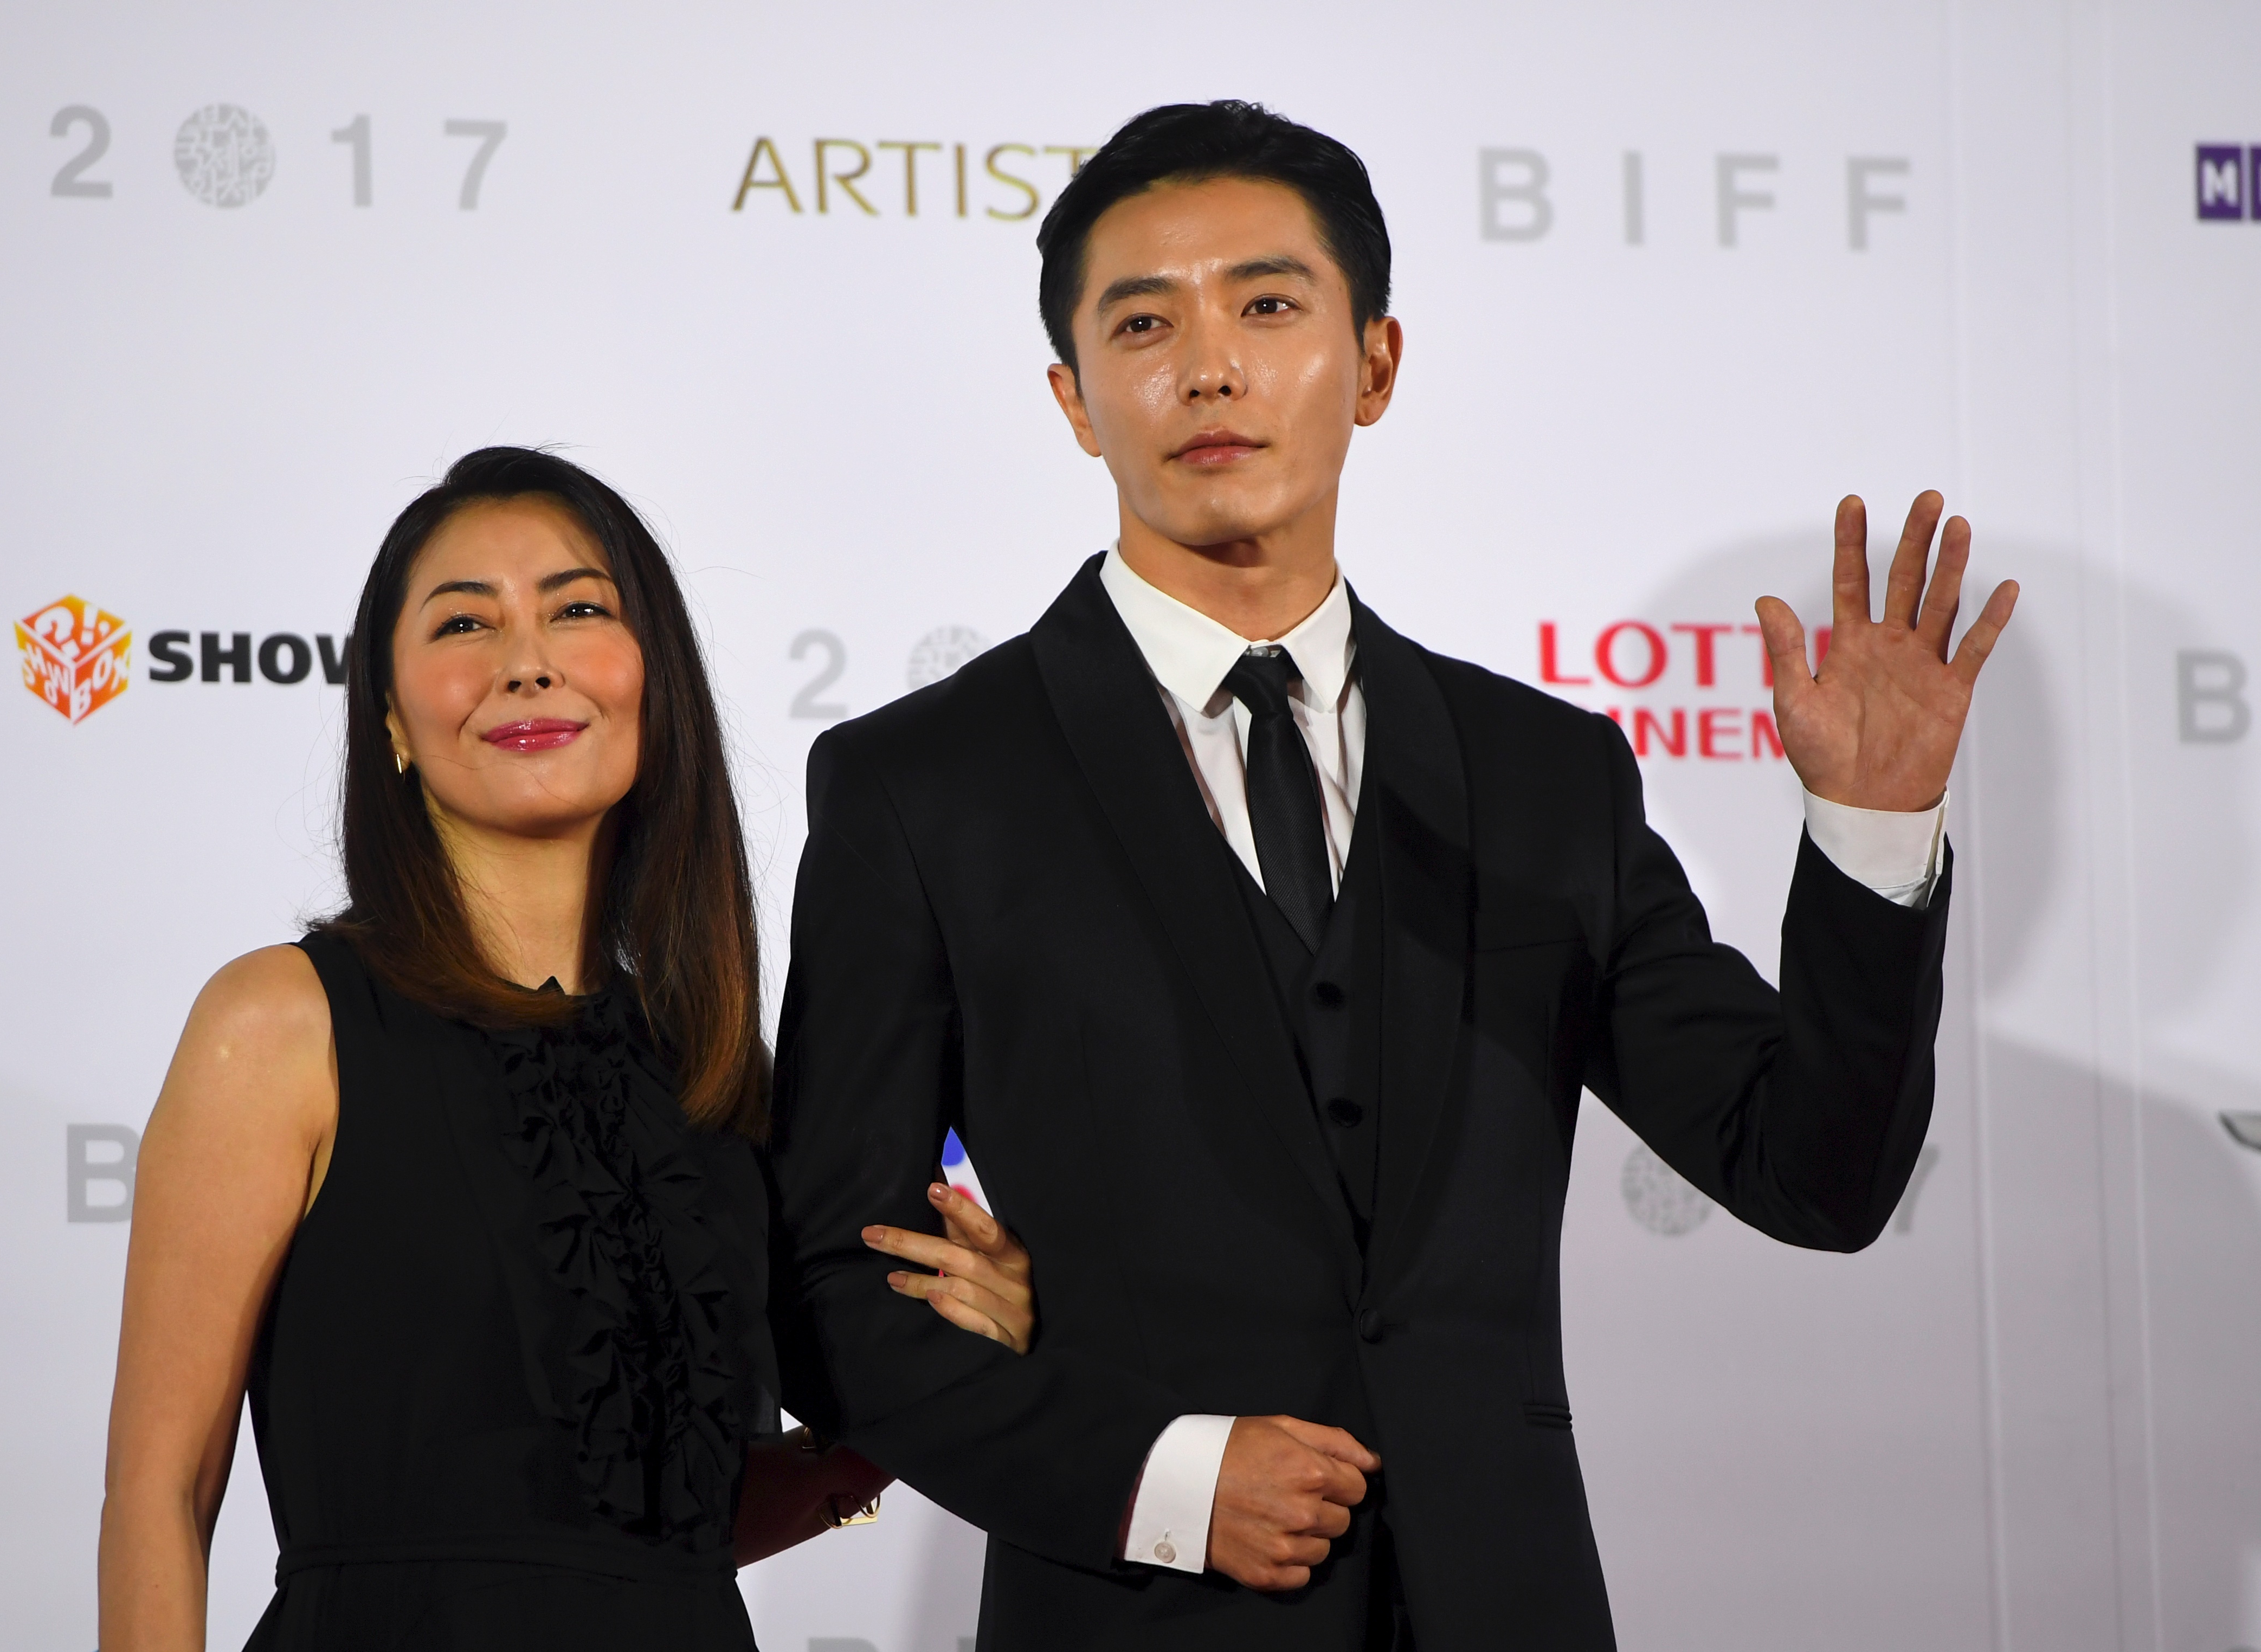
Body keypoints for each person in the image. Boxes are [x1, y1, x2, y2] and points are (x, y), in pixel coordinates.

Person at [765, 101, 2019, 1650]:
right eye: (1144, 322)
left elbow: (1813, 1173)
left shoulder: (1545, 777)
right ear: (1073, 399)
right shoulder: (923, 785)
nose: (1209, 365)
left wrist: (1873, 837)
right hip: (1135, 1613)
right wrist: (1158, 1476)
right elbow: (836, 1292)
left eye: (1269, 306)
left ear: (1374, 366)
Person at [96, 448, 1040, 1652]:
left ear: (654, 682)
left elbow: (661, 1530)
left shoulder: (711, 1075)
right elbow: (157, 1498)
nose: (526, 659)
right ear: (389, 715)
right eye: (463, 624)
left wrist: (946, 1375)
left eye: (577, 608)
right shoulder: (282, 1022)